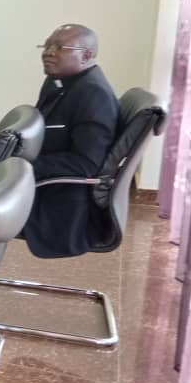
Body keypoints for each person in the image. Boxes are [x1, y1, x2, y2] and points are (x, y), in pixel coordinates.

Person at [22, 24, 120, 258]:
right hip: (45, 180)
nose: (48, 52)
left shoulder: (93, 94)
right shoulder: (59, 82)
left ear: (86, 55)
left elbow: (85, 164)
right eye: (46, 45)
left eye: (59, 47)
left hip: (62, 201)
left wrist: (20, 167)